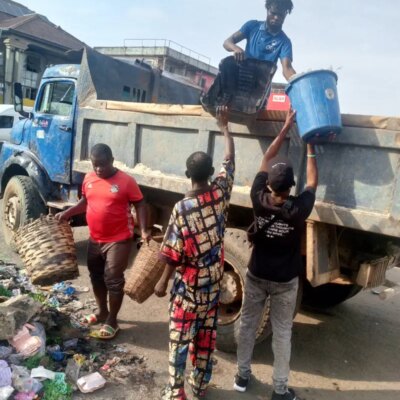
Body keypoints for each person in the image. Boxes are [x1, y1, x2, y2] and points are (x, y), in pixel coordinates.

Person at [234, 109, 318, 400]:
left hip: (257, 275)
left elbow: (266, 158)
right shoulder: (299, 209)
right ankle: (279, 391)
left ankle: (242, 376)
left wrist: (284, 130)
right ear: (291, 187)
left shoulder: (258, 199)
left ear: (269, 184)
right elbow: (313, 181)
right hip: (285, 282)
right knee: (282, 334)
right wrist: (309, 145)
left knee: (247, 324)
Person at [154, 107, 235, 400]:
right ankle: (199, 386)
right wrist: (225, 128)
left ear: (187, 174)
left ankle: (176, 393)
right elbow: (230, 159)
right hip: (212, 289)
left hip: (188, 293)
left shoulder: (182, 209)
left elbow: (173, 253)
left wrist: (162, 282)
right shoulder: (220, 193)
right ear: (211, 174)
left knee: (179, 342)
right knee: (204, 340)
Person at [56, 143, 149, 339]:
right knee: (96, 276)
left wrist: (144, 230)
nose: (99, 169)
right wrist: (67, 213)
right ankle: (102, 311)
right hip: (95, 238)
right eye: (95, 164)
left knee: (113, 279)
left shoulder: (126, 181)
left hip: (119, 240)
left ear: (112, 161)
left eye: (103, 165)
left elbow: (140, 204)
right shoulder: (89, 178)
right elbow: (85, 202)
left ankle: (113, 320)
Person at [223, 0, 296, 81]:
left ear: (285, 15)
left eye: (280, 15)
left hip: (261, 87)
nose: (276, 18)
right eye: (273, 13)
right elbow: (227, 42)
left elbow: (287, 68)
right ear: (267, 9)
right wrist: (236, 48)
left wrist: (299, 82)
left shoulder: (285, 42)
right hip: (242, 78)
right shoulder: (252, 26)